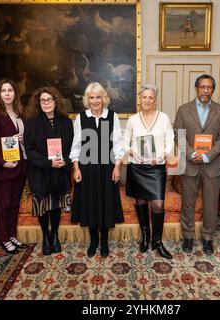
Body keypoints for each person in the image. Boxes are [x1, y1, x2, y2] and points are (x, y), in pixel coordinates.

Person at [173, 74, 220, 256]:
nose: (206, 90)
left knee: (211, 203)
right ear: (196, 88)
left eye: (209, 87)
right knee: (188, 202)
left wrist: (206, 156)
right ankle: (188, 236)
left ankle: (207, 238)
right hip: (190, 164)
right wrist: (193, 153)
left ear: (213, 90)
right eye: (202, 87)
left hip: (212, 165)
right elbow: (178, 135)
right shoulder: (183, 110)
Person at [70, 82, 124, 258]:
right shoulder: (81, 118)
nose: (95, 101)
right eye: (91, 98)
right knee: (90, 204)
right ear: (87, 100)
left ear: (104, 99)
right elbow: (76, 144)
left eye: (98, 97)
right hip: (86, 168)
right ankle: (94, 241)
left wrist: (117, 167)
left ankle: (105, 242)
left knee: (106, 203)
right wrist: (76, 168)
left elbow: (117, 143)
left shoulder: (112, 116)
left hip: (107, 167)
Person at [124, 84, 174, 259]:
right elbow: (124, 143)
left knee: (158, 203)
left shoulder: (164, 118)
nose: (147, 100)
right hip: (137, 166)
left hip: (156, 167)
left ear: (155, 100)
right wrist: (133, 152)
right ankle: (145, 236)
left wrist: (161, 156)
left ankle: (157, 242)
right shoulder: (132, 120)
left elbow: (170, 141)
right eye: (144, 97)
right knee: (140, 201)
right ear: (140, 99)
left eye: (150, 97)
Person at [24, 86, 73, 255]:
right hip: (40, 171)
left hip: (60, 171)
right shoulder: (31, 122)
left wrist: (64, 161)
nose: (46, 103)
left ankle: (55, 235)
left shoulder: (66, 122)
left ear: (56, 101)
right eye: (43, 100)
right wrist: (47, 162)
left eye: (49, 99)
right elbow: (29, 149)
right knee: (43, 206)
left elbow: (72, 147)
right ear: (38, 103)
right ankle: (45, 235)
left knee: (56, 205)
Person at [0, 79, 28, 254]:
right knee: (3, 204)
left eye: (10, 90)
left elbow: (23, 138)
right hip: (4, 168)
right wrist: (2, 162)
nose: (7, 93)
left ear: (15, 93)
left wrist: (24, 139)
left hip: (21, 166)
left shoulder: (20, 113)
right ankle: (3, 238)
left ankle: (11, 234)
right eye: (4, 91)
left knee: (15, 204)